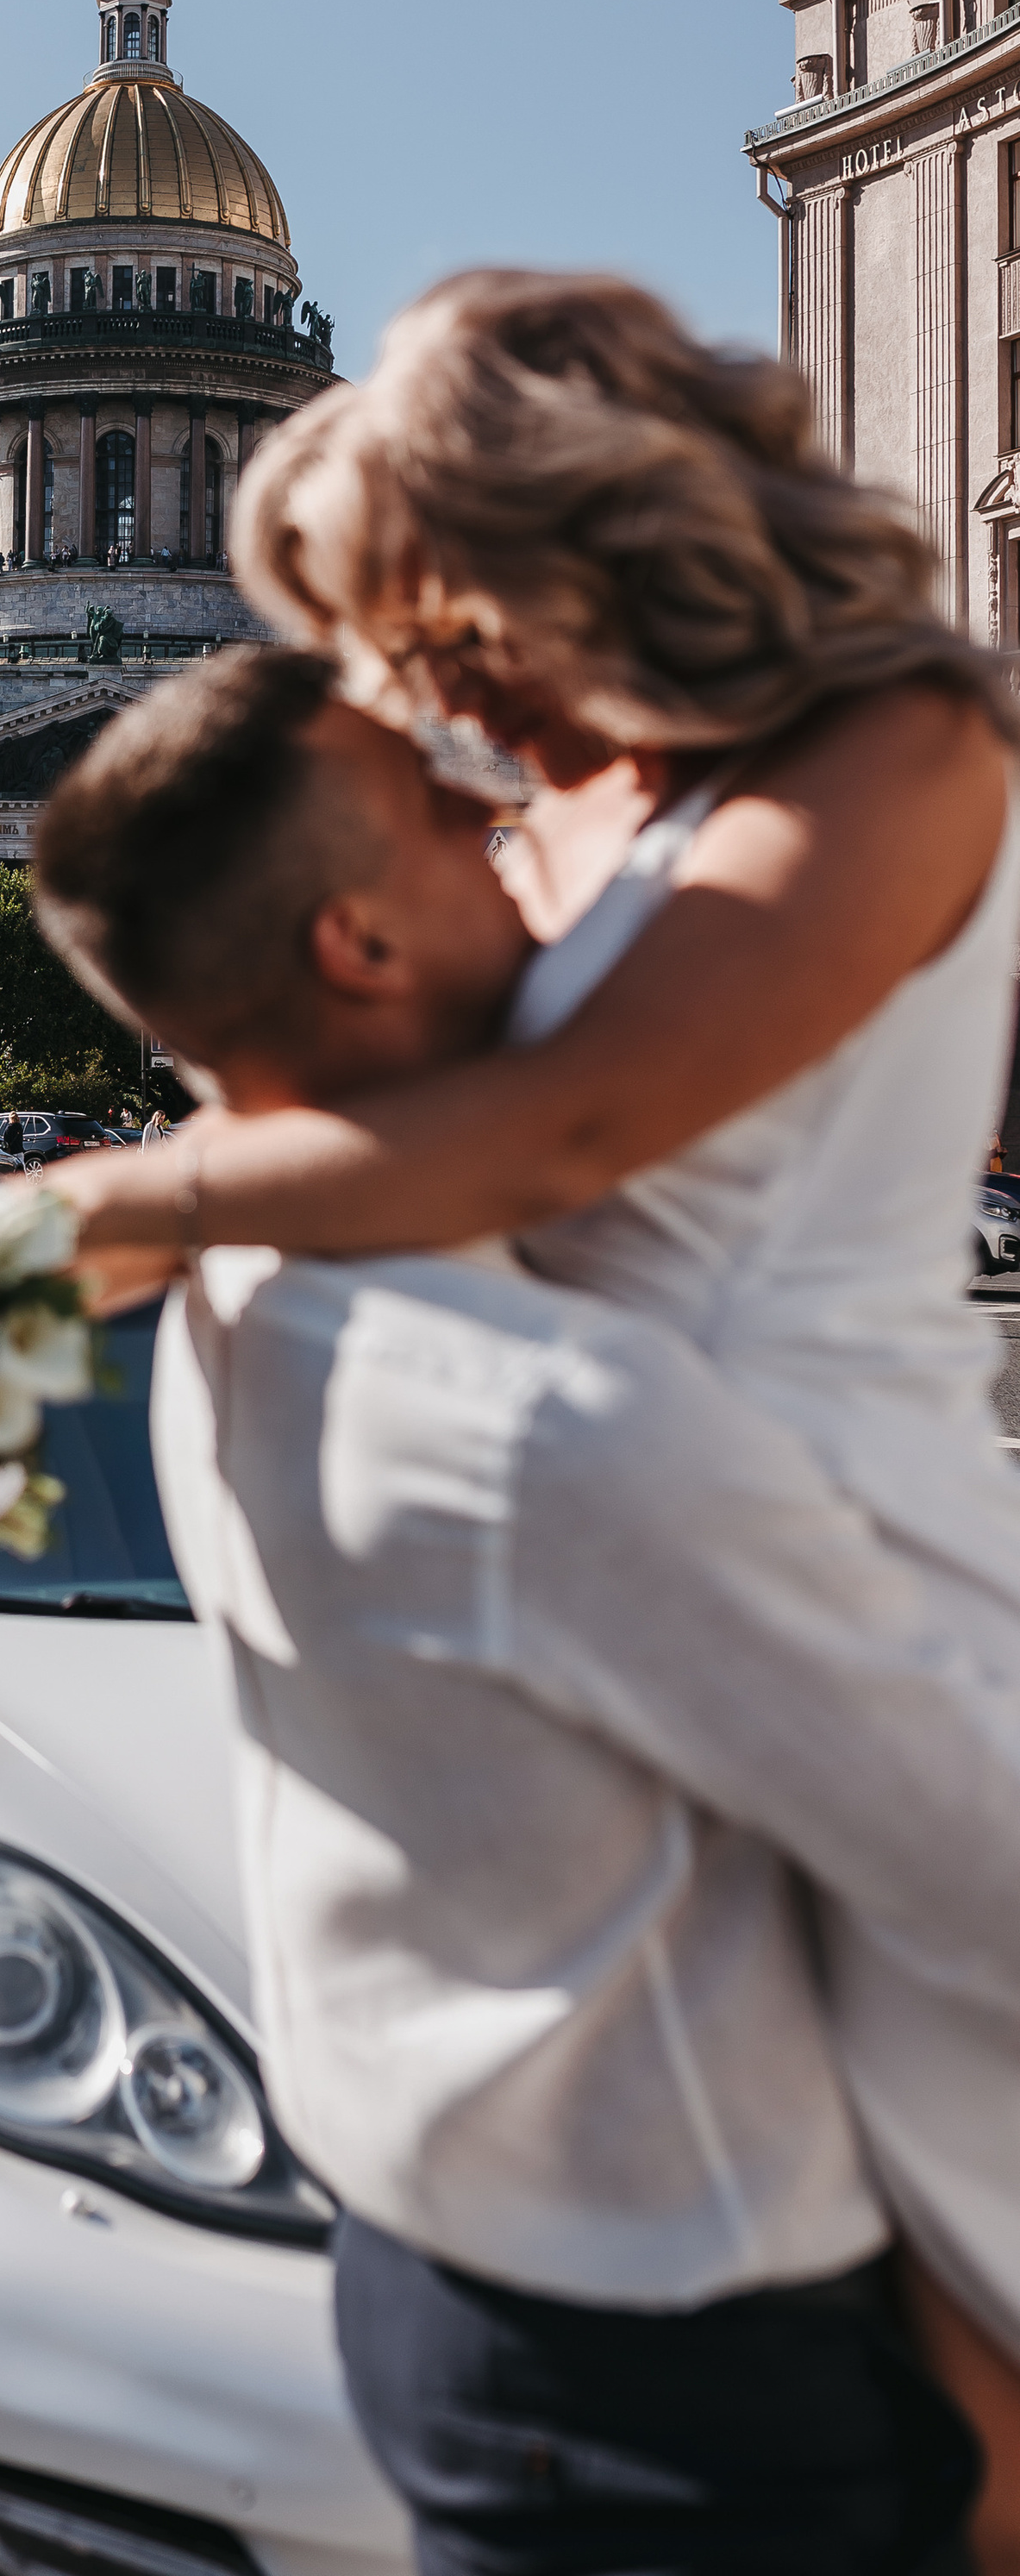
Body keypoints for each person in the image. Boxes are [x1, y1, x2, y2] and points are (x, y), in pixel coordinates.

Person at [54, 270, 1020, 2554]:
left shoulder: (902, 741)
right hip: (645, 1586)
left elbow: (567, 1128)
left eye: (417, 616)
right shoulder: (574, 785)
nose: (423, 695)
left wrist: (105, 1207)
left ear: (573, 517)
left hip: (824, 1548)